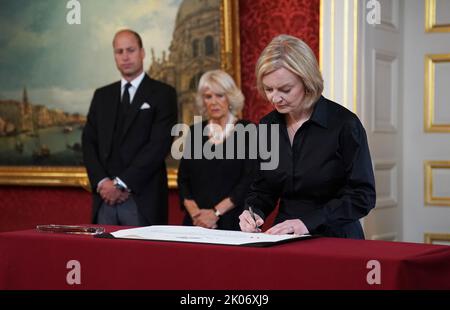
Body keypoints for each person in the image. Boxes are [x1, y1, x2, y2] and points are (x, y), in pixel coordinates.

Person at [239, 34, 376, 239]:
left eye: (285, 89)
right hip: (284, 239)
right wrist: (252, 211)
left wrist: (307, 223)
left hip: (336, 238)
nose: (275, 98)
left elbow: (362, 196)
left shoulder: (345, 125)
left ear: (307, 81)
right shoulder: (268, 126)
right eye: (268, 89)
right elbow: (264, 189)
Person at [82, 29, 177, 226]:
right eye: (119, 51)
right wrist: (103, 183)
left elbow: (159, 145)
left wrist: (121, 184)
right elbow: (89, 142)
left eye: (130, 50)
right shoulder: (102, 95)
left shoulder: (163, 93)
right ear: (114, 56)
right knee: (101, 257)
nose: (125, 57)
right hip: (104, 199)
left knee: (142, 257)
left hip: (143, 199)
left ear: (142, 53)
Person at [177, 70, 256, 230]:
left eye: (220, 95)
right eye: (208, 96)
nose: (213, 102)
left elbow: (248, 181)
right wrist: (197, 216)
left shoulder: (248, 130)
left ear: (230, 98)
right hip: (196, 224)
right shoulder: (194, 132)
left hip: (233, 222)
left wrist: (215, 214)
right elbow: (183, 180)